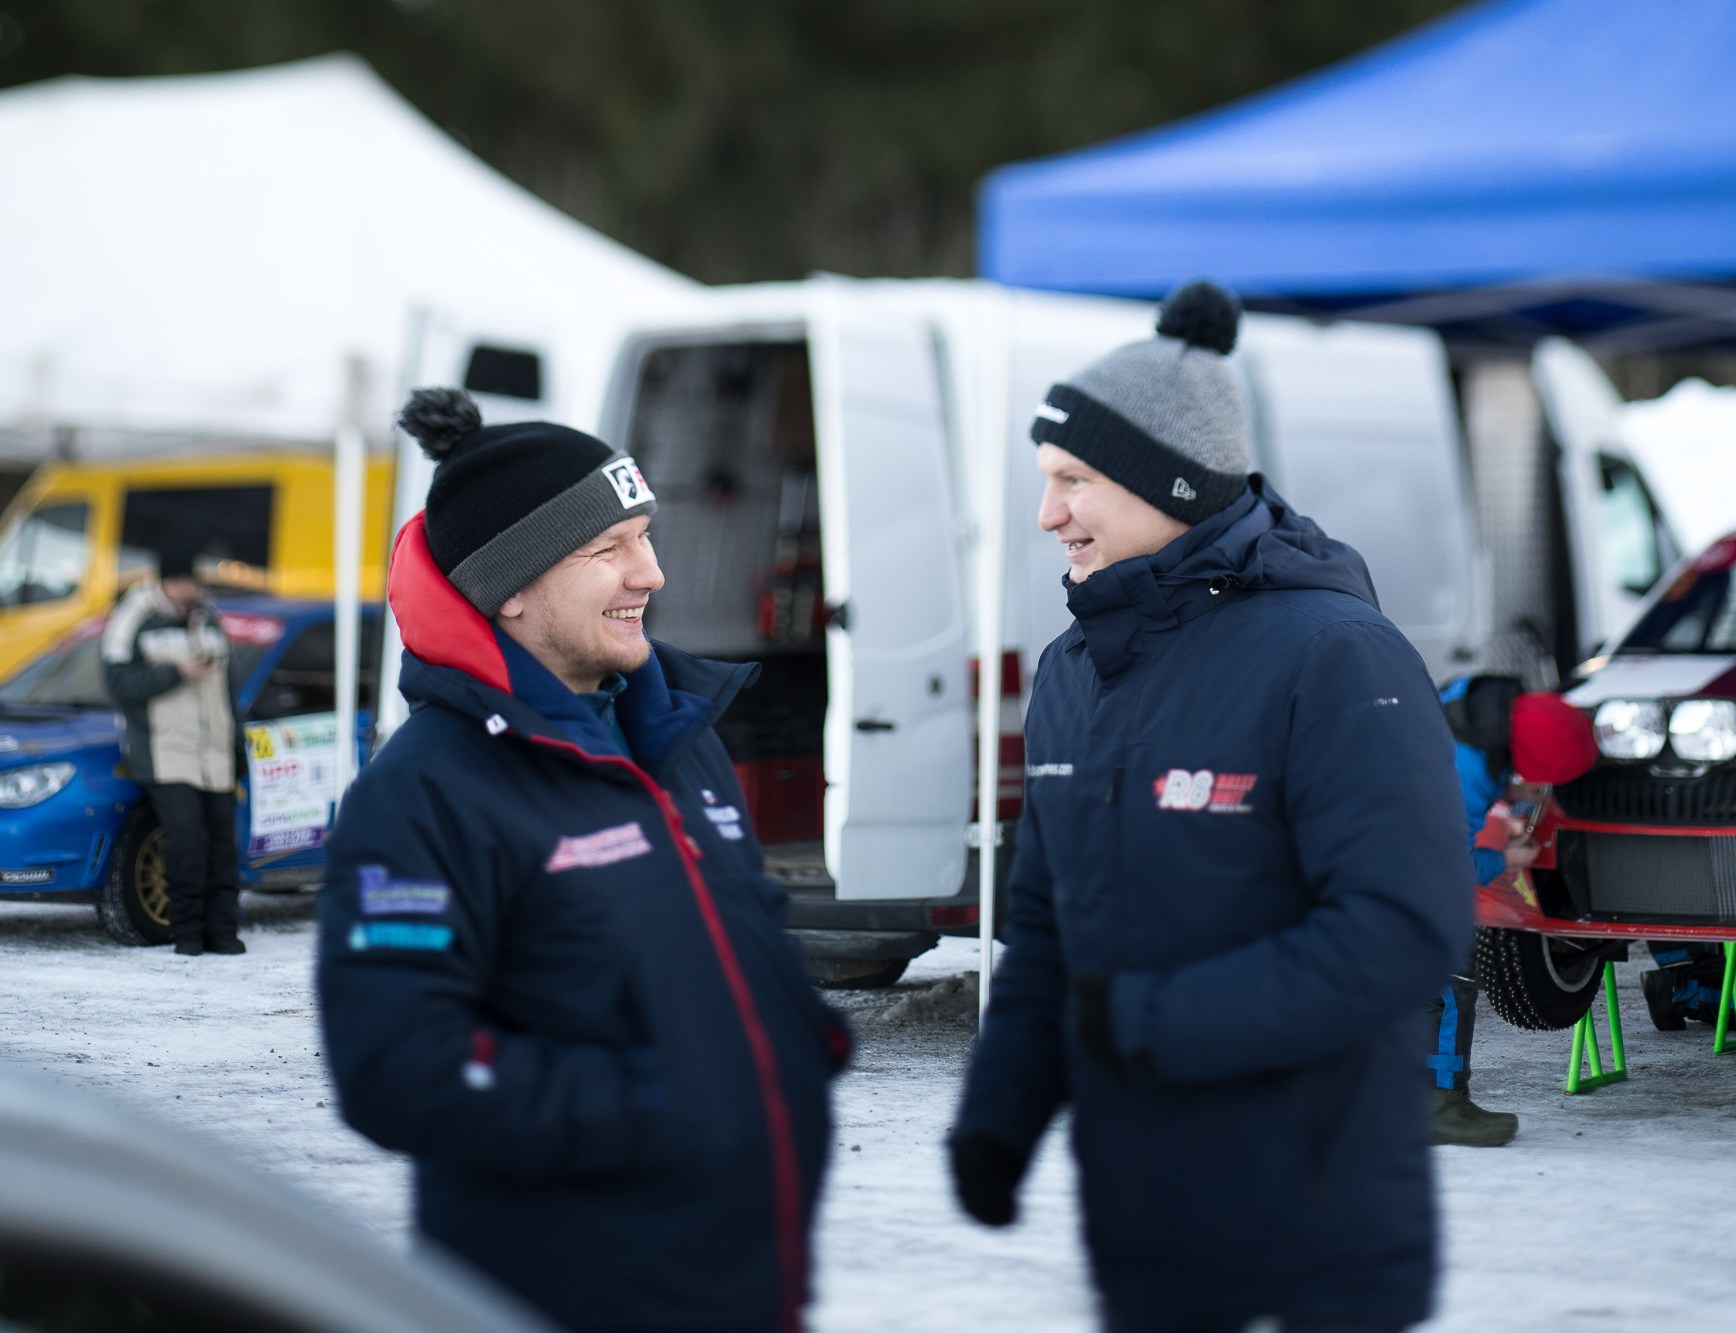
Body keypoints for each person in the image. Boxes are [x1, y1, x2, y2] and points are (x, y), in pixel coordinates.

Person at [950, 282, 1472, 1333]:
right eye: (1043, 481)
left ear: (1170, 483)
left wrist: (1148, 1020)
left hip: (1318, 1229)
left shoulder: (1335, 657)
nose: (1047, 513)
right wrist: (1000, 1110)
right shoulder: (1069, 673)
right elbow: (1049, 923)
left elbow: (1401, 930)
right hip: (1142, 1215)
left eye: (1073, 480)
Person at [316, 389, 848, 1333]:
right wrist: (671, 1103)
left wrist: (790, 1035)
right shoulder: (426, 795)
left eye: (644, 535)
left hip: (741, 1283)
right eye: (609, 549)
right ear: (509, 588)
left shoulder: (678, 739)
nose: (652, 571)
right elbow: (399, 1068)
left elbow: (728, 926)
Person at [101, 548, 245, 956]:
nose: (188, 590)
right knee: (184, 843)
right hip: (166, 753)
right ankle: (186, 933)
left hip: (215, 753)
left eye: (193, 582)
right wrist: (176, 673)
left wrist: (237, 748)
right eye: (180, 582)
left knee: (222, 844)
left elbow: (228, 691)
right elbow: (119, 686)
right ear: (163, 581)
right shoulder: (134, 618)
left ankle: (222, 931)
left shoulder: (209, 617)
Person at [1430, 674, 1533, 1147]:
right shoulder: (1467, 768)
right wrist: (1505, 860)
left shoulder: (1467, 706)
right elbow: (1450, 865)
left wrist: (1508, 794)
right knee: (1449, 984)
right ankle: (1441, 1107)